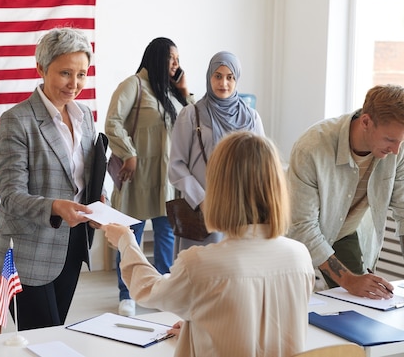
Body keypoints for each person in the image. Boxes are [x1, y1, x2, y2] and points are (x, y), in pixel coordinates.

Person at [103, 131, 315, 357]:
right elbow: (258, 324)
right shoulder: (300, 256)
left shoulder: (200, 263)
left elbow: (149, 290)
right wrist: (201, 326)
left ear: (219, 189)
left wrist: (127, 242)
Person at [287, 84, 404, 306]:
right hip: (294, 240)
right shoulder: (312, 148)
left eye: (403, 141)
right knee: (296, 306)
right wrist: (350, 280)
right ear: (365, 122)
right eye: (390, 140)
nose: (396, 150)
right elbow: (303, 227)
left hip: (345, 233)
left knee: (355, 306)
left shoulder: (398, 149)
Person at [0, 28, 102, 330]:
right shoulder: (16, 120)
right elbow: (11, 197)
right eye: (65, 72)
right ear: (41, 68)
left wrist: (100, 198)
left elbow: (82, 176)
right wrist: (56, 207)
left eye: (81, 74)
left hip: (72, 244)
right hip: (27, 249)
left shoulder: (85, 116)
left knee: (53, 333)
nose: (74, 84)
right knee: (41, 337)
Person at [104, 37, 194, 316]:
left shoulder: (171, 93)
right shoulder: (134, 85)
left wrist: (184, 90)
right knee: (130, 236)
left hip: (166, 179)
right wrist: (129, 153)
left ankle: (162, 290)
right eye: (172, 59)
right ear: (157, 57)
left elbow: (195, 120)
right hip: (137, 178)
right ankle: (126, 293)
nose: (177, 65)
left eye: (178, 60)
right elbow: (113, 122)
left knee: (167, 237)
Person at [169, 51, 265, 254]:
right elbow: (176, 165)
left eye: (230, 77)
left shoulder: (251, 118)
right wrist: (203, 200)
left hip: (241, 213)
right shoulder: (191, 115)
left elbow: (261, 166)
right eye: (218, 76)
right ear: (209, 77)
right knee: (199, 274)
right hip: (202, 213)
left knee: (234, 274)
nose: (224, 83)